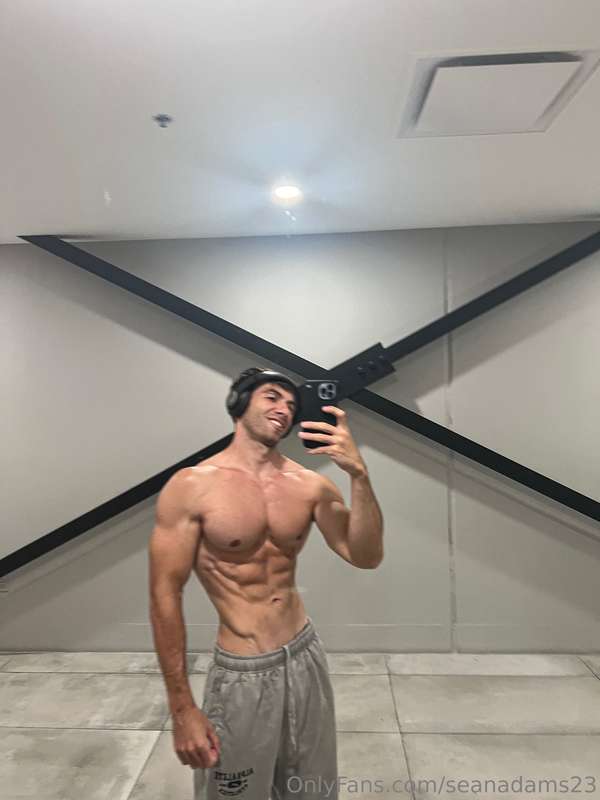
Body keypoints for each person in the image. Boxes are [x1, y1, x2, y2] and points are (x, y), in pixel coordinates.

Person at [148, 367, 384, 799]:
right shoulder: (191, 487)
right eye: (272, 396)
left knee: (312, 790)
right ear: (239, 403)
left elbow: (365, 556)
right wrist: (182, 710)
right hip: (243, 671)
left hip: (305, 658)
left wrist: (359, 476)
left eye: (291, 405)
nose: (284, 409)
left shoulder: (310, 485)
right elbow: (165, 594)